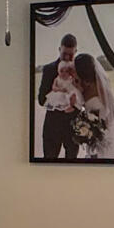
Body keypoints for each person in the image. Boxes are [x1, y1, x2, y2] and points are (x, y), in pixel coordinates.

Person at [37, 31, 80, 160]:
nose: (66, 57)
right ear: (59, 49)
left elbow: (83, 98)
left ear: (76, 51)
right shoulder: (49, 69)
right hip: (52, 127)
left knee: (72, 166)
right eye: (64, 53)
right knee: (49, 163)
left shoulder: (79, 70)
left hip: (73, 126)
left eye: (70, 55)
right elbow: (41, 99)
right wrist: (57, 96)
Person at [72, 52, 114, 159]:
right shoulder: (85, 85)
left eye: (75, 69)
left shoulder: (99, 89)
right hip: (95, 132)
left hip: (100, 131)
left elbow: (106, 110)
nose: (73, 72)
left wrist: (95, 127)